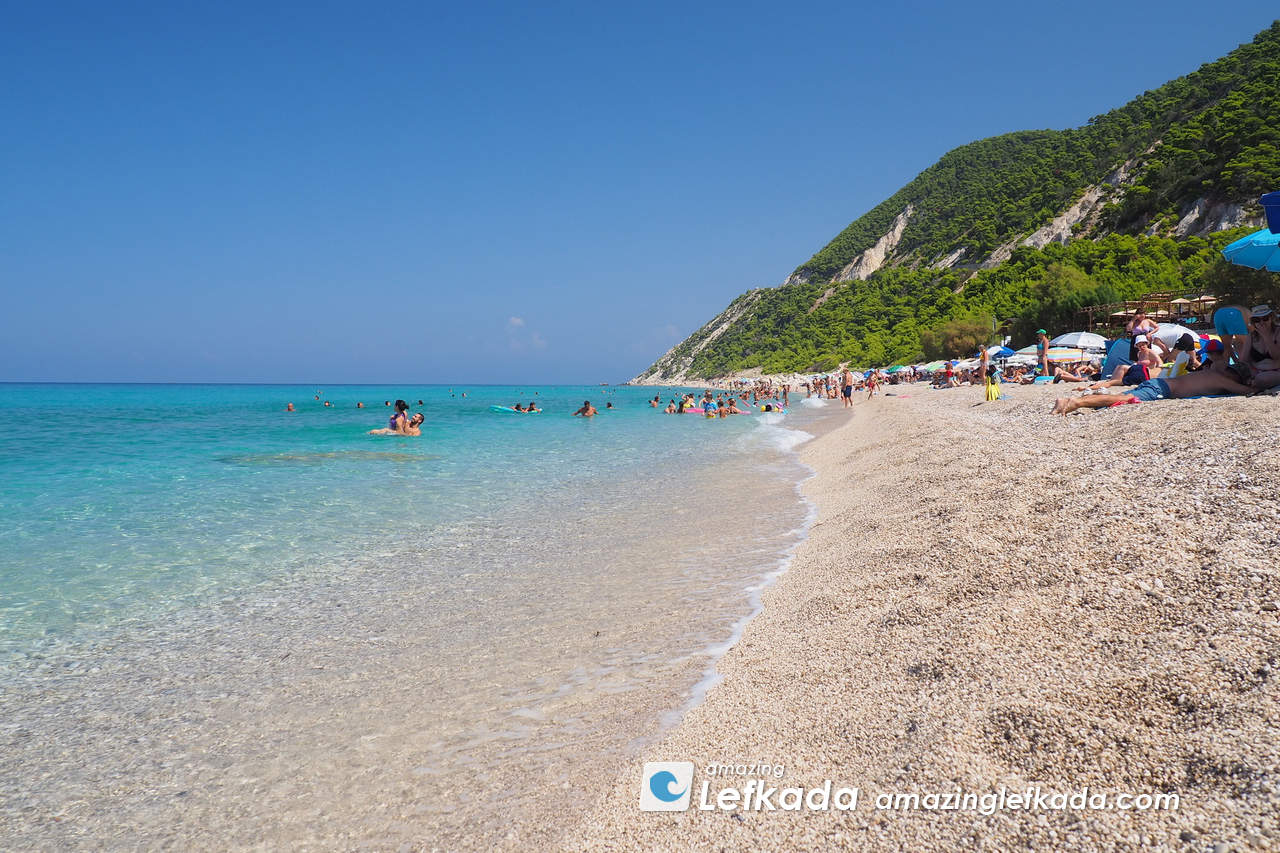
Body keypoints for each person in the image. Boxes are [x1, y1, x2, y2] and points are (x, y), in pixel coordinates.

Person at [1051, 359, 1255, 414]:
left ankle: (1079, 401)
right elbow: (1247, 392)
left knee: (1121, 396)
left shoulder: (1213, 373)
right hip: (1162, 390)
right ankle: (1075, 403)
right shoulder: (1223, 380)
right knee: (1124, 399)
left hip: (1158, 384)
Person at [1247, 305, 1280, 390]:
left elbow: (1276, 356)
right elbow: (1244, 359)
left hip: (1276, 370)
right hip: (1257, 371)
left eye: (1265, 318)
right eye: (1257, 320)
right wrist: (1251, 370)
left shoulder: (1278, 332)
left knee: (1261, 379)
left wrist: (1266, 336)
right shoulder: (1251, 336)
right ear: (1253, 322)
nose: (1262, 322)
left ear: (1271, 318)